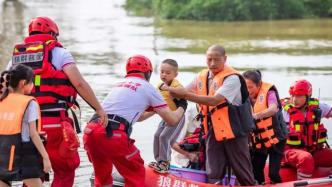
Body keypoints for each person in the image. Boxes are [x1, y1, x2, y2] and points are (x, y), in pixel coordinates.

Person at [8, 16, 107, 187]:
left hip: (24, 125)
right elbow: (79, 83)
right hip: (54, 123)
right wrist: (99, 109)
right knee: (64, 171)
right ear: (52, 34)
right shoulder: (60, 53)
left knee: (32, 174)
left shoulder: (15, 59)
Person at [83, 55, 187, 187]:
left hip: (91, 131)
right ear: (148, 72)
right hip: (113, 134)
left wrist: (155, 110)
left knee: (102, 177)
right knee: (136, 172)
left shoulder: (118, 85)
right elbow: (172, 120)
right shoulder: (148, 88)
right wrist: (183, 106)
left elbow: (139, 117)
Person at [162, 44, 255, 185]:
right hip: (213, 129)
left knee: (241, 168)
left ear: (225, 59)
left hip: (235, 130)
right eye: (209, 59)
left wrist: (185, 95)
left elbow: (214, 100)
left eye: (216, 60)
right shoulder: (202, 75)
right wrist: (168, 86)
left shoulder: (232, 78)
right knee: (213, 168)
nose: (212, 63)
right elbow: (183, 90)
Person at [0, 64, 51, 187]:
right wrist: (46, 157)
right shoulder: (29, 102)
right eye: (32, 82)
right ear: (23, 83)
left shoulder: (2, 99)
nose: (33, 85)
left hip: (2, 151)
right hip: (24, 154)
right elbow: (33, 134)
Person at [243, 69, 287, 184]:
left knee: (273, 173)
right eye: (245, 87)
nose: (247, 90)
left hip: (276, 138)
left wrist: (255, 116)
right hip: (259, 140)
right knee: (255, 171)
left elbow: (273, 109)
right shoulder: (243, 96)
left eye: (250, 87)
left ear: (259, 84)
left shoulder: (269, 92)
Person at [282, 79, 332, 180]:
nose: (294, 99)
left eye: (299, 96)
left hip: (314, 151)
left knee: (310, 157)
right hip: (291, 153)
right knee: (306, 159)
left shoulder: (317, 108)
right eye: (292, 95)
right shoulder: (285, 112)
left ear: (308, 96)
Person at [149, 59, 186, 173]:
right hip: (166, 117)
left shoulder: (175, 84)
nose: (164, 75)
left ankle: (165, 163)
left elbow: (183, 92)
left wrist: (168, 89)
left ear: (175, 74)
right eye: (162, 72)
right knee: (157, 136)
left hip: (177, 117)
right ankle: (159, 161)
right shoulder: (160, 85)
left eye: (168, 73)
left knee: (164, 137)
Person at [171, 105, 204, 170]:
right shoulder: (187, 115)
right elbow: (172, 142)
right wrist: (188, 154)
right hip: (187, 161)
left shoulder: (214, 112)